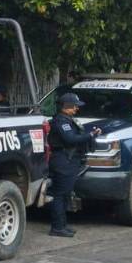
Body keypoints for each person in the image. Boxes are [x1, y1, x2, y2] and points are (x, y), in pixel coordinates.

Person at [47, 93, 101, 237]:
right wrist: (90, 135)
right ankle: (57, 227)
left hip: (69, 161)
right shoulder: (61, 121)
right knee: (60, 194)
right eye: (74, 106)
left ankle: (62, 225)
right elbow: (70, 139)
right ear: (66, 107)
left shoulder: (68, 120)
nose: (77, 108)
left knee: (65, 194)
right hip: (63, 161)